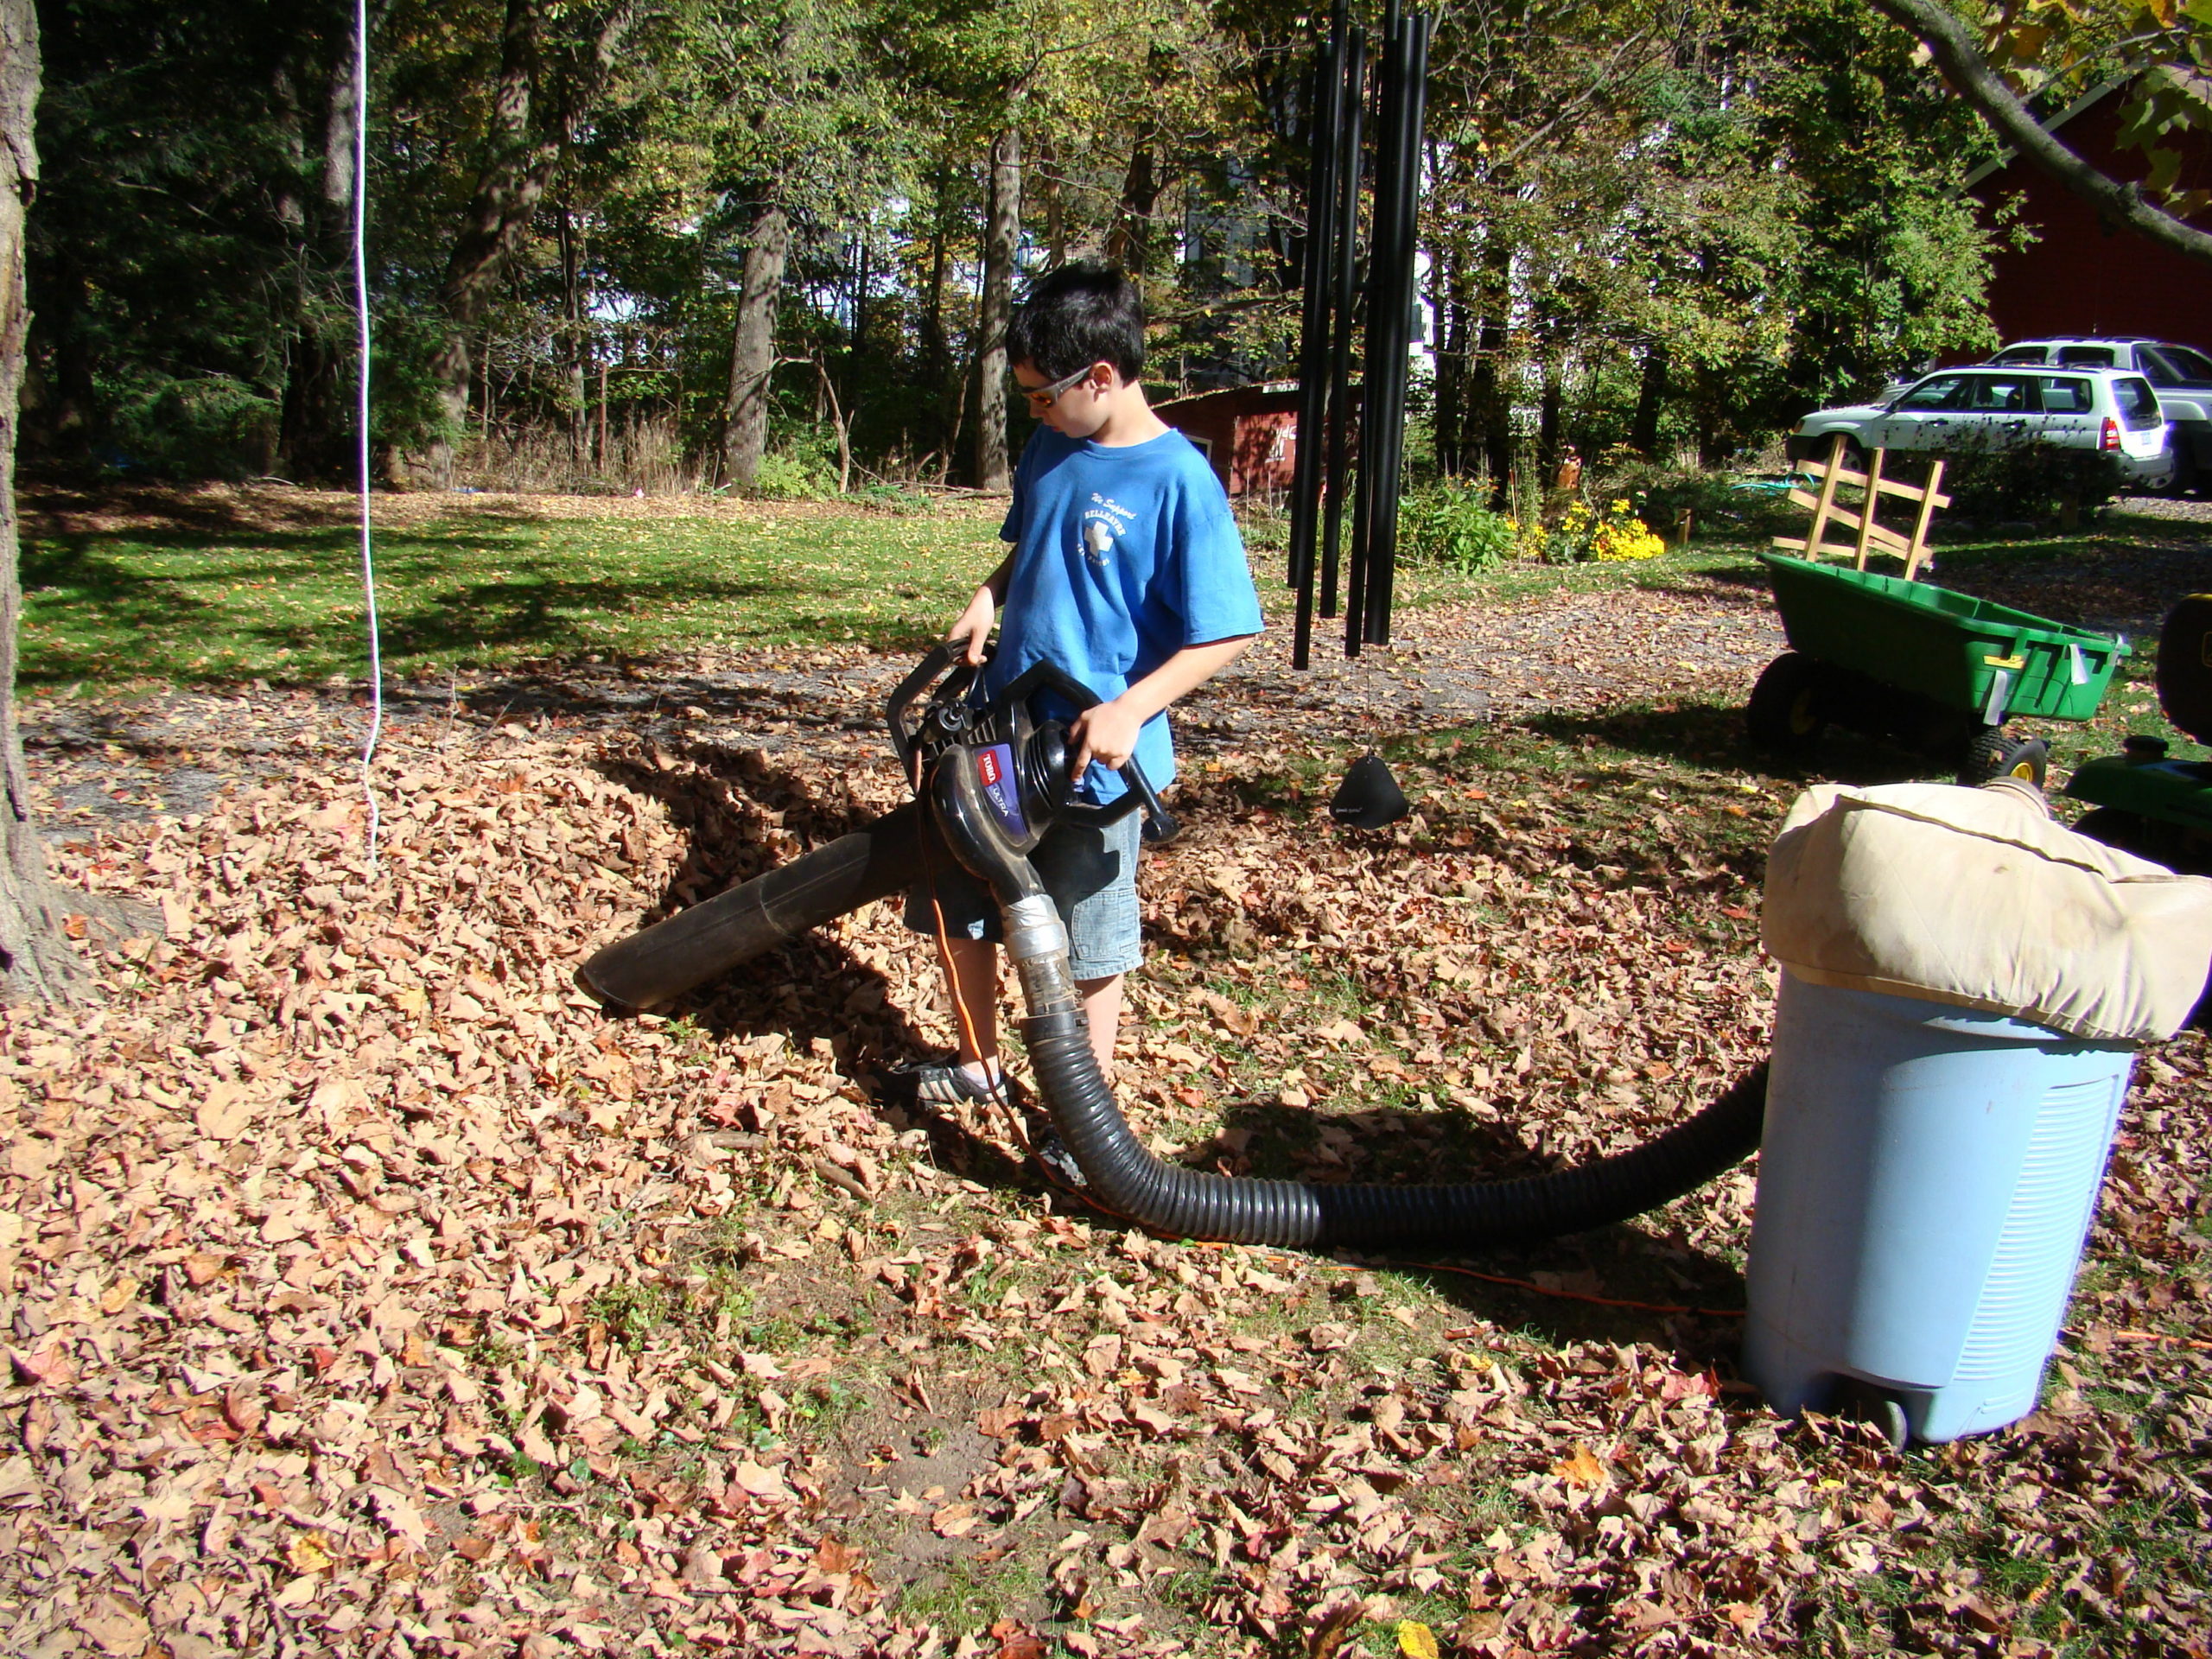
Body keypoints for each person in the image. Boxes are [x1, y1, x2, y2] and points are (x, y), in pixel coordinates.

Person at [902, 262, 1262, 1108]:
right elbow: (1033, 544)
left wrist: (1131, 708)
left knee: (1089, 935)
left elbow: (1230, 629)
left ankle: (1085, 1110)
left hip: (1094, 760)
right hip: (998, 728)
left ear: (1099, 377)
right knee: (964, 901)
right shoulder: (1051, 446)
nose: (1034, 411)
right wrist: (988, 596)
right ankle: (977, 1066)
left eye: (1041, 395)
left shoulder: (1179, 481)